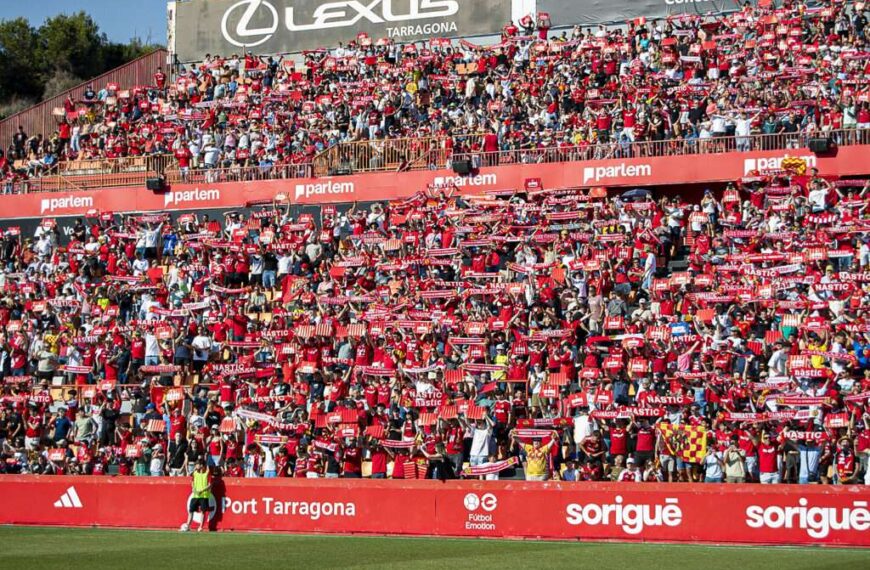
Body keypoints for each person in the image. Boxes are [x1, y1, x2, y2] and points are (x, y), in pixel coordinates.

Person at [182, 460, 212, 532]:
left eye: (197, 464)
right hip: (195, 495)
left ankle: (200, 527)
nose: (196, 466)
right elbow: (192, 482)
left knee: (203, 512)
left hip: (204, 496)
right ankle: (188, 525)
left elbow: (210, 485)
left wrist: (202, 490)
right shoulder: (195, 473)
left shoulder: (207, 473)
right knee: (191, 510)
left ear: (201, 465)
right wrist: (194, 489)